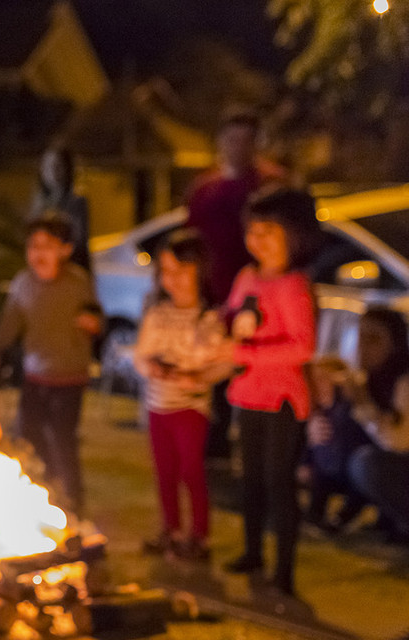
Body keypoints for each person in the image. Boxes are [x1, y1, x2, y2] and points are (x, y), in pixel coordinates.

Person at [221, 185, 318, 597]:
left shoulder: (294, 286)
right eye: (253, 231)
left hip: (280, 398)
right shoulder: (247, 277)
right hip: (247, 393)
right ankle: (252, 551)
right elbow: (232, 316)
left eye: (269, 231)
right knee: (250, 479)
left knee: (279, 482)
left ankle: (285, 570)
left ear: (292, 235)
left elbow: (303, 346)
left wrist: (246, 351)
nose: (257, 240)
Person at [0, 212, 103, 515]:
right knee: (30, 437)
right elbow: (11, 321)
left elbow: (96, 316)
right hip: (35, 376)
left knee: (63, 441)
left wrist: (93, 323)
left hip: (69, 377)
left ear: (65, 250)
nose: (38, 253)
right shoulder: (24, 284)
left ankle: (73, 506)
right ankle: (43, 495)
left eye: (46, 245)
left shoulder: (77, 282)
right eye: (33, 246)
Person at [185, 110, 287, 458]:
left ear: (256, 144)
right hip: (214, 293)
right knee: (215, 368)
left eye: (246, 141)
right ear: (220, 143)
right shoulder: (205, 190)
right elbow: (192, 241)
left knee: (256, 367)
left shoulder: (271, 185)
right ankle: (216, 445)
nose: (237, 148)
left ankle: (260, 448)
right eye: (231, 140)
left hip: (262, 298)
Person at [133, 230, 230, 561]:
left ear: (199, 271)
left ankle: (199, 537)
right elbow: (141, 355)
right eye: (166, 272)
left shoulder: (209, 318)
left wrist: (197, 375)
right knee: (165, 472)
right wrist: (152, 368)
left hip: (189, 406)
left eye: (180, 271)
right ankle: (171, 530)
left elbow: (224, 362)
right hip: (157, 405)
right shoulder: (157, 314)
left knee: (191, 470)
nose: (171, 280)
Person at [343, 308, 409, 544]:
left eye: (374, 339)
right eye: (360, 337)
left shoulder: (403, 380)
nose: (363, 347)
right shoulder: (368, 379)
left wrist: (362, 404)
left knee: (366, 463)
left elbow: (396, 443)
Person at [301, 357, 369, 535]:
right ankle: (316, 512)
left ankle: (342, 517)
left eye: (322, 379)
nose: (316, 385)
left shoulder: (347, 412)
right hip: (330, 471)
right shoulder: (319, 413)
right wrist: (305, 461)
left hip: (352, 475)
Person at [27, 147, 89, 269]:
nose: (53, 172)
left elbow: (79, 242)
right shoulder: (38, 205)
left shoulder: (76, 203)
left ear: (67, 168)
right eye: (48, 167)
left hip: (69, 269)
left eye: (58, 166)